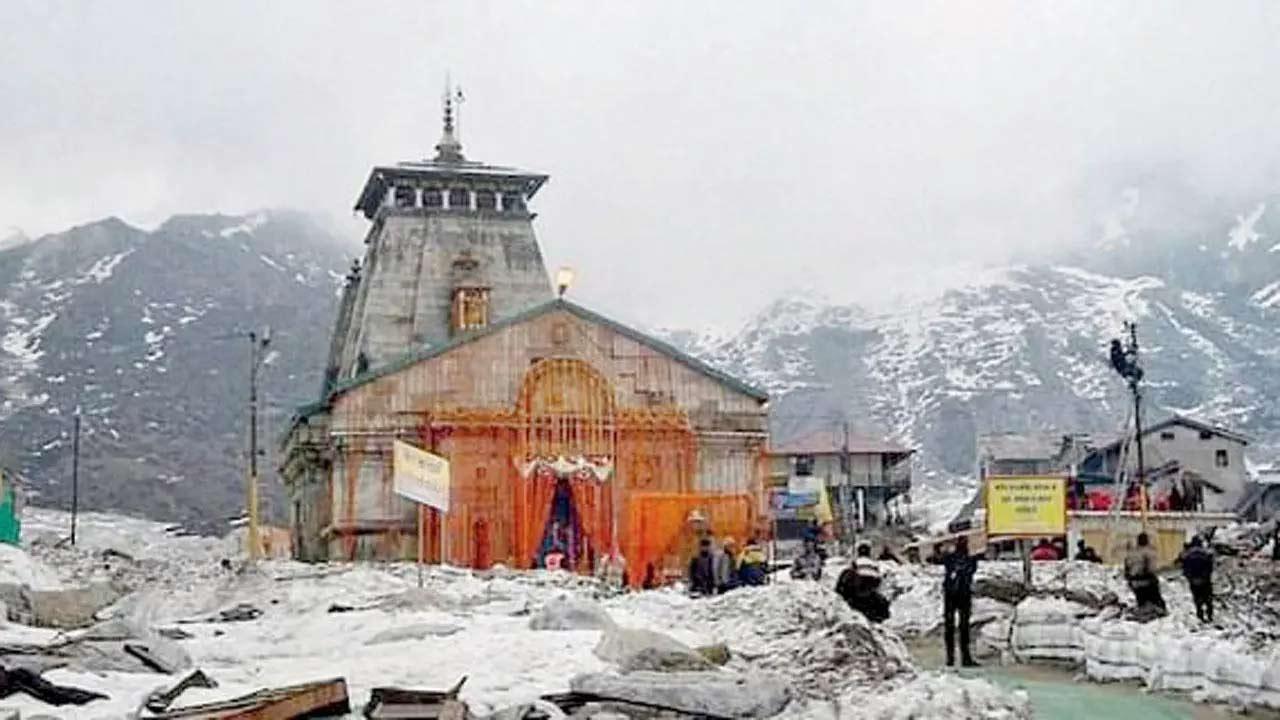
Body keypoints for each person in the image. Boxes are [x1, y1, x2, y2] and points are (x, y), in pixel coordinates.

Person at [942, 537, 980, 667]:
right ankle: (965, 657)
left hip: (950, 594)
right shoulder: (971, 560)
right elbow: (971, 571)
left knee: (950, 626)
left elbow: (935, 557)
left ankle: (950, 658)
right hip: (963, 594)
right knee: (963, 627)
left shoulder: (949, 558)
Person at [837, 544, 890, 623]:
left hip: (856, 595)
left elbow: (846, 580)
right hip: (871, 596)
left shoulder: (855, 563)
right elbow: (879, 580)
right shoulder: (874, 564)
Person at [1124, 532, 1166, 614]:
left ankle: (1142, 611)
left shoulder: (1132, 553)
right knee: (1156, 600)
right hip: (1146, 581)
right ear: (1147, 541)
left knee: (1141, 600)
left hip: (1134, 581)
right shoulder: (1149, 552)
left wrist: (1129, 579)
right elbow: (1151, 568)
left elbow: (1126, 567)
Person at [1180, 536, 1215, 623]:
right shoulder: (1206, 554)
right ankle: (1210, 615)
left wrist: (1189, 577)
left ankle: (1200, 614)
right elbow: (1210, 567)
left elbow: (1184, 567)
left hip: (1194, 580)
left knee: (1197, 598)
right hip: (1205, 580)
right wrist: (1207, 576)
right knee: (1208, 598)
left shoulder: (1188, 555)